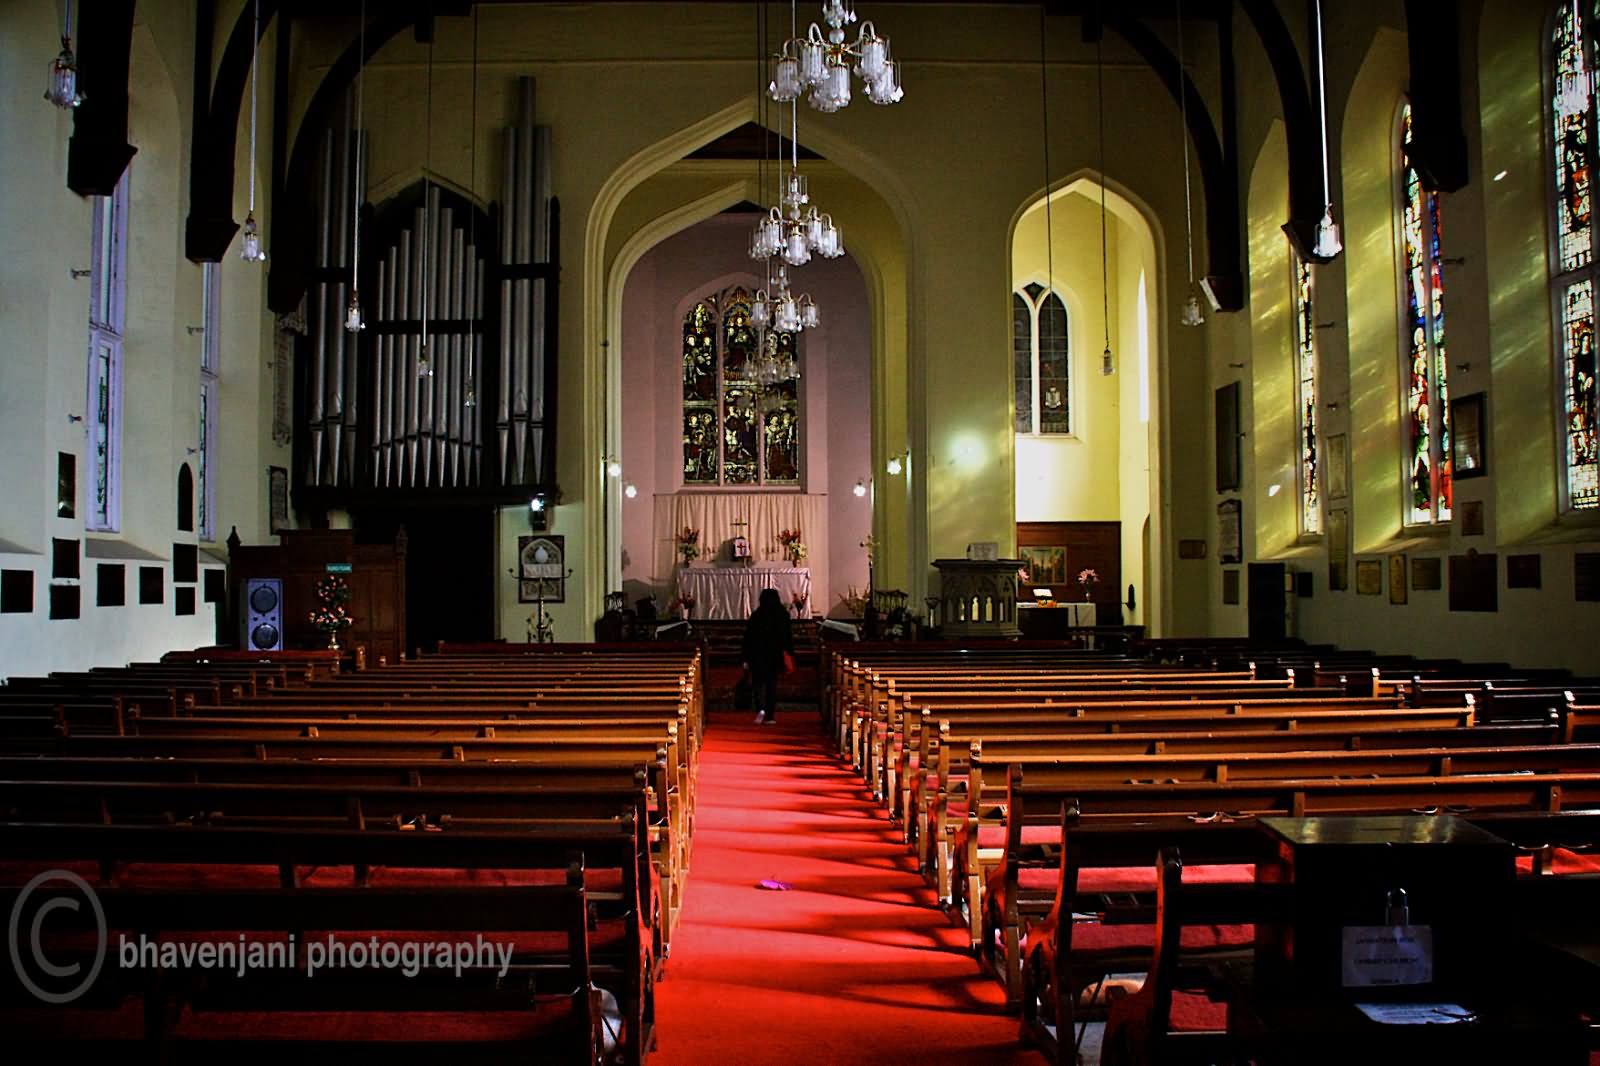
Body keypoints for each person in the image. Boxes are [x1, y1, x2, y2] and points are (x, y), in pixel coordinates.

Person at [741, 587, 794, 725]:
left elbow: (748, 638)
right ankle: (770, 715)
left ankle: (760, 710)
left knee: (758, 685)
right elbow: (787, 636)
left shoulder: (757, 615)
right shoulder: (782, 614)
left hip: (758, 655)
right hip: (774, 656)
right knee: (771, 685)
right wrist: (789, 652)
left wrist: (745, 658)